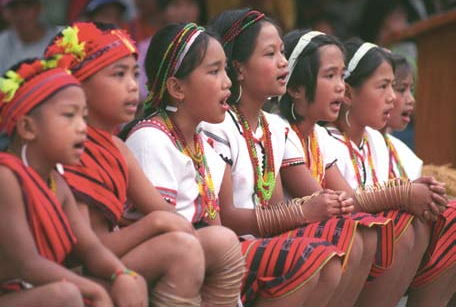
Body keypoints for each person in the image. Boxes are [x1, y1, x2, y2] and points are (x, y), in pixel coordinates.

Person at [122, 21, 344, 307]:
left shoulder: (200, 141)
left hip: (207, 257)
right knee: (306, 254)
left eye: (223, 70)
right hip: (168, 267)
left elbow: (217, 222)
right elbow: (169, 229)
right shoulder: (152, 140)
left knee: (329, 253)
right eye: (214, 72)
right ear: (177, 88)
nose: (226, 81)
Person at [45, 21, 244, 306]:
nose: (131, 86)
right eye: (118, 75)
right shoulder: (71, 151)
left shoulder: (117, 148)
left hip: (109, 258)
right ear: (78, 87)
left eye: (134, 74)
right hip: (80, 270)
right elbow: (80, 251)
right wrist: (155, 223)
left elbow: (164, 214)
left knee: (220, 241)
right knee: (181, 249)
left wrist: (162, 221)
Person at [0, 57, 147, 306]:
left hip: (38, 290)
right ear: (27, 128)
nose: (82, 128)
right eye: (69, 116)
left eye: (84, 117)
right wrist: (93, 290)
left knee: (130, 281)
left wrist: (122, 274)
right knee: (67, 295)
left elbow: (90, 249)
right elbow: (28, 264)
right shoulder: (6, 177)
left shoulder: (57, 183)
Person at [323, 39, 448, 306]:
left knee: (443, 218)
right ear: (348, 93)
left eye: (395, 87)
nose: (393, 97)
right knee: (398, 228)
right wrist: (404, 193)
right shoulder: (324, 140)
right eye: (384, 86)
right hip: (344, 246)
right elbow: (347, 204)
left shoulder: (375, 140)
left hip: (371, 251)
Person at [381, 53, 456, 307]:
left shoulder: (403, 152)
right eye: (395, 88)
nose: (408, 100)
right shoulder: (334, 143)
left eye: (408, 90)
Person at [0, 0, 61, 74]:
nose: (20, 15)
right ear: (3, 12)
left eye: (26, 6)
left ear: (39, 7)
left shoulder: (60, 38)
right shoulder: (2, 44)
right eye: (13, 8)